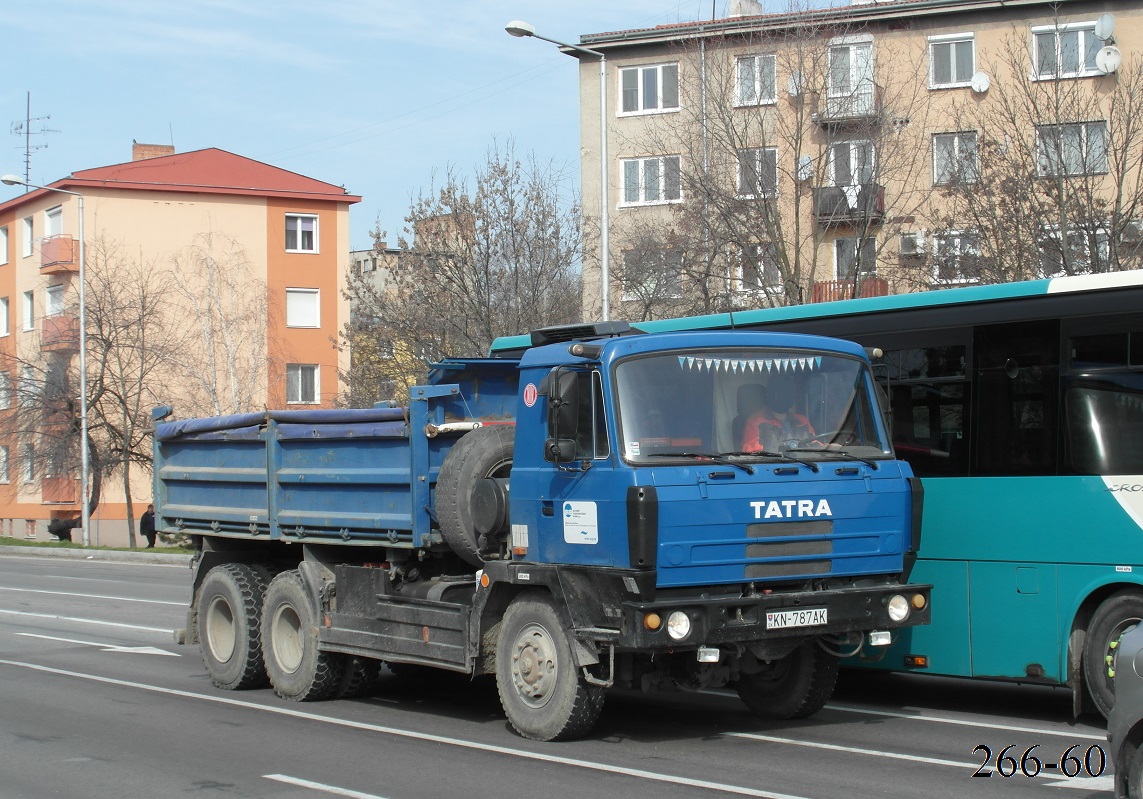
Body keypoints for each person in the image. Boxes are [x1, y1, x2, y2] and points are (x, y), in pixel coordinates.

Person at [739, 375, 814, 452]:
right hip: (773, 463)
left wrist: (825, 447)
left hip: (805, 463)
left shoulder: (802, 420)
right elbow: (751, 452)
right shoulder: (756, 421)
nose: (784, 396)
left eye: (788, 393)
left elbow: (815, 445)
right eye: (781, 393)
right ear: (770, 394)